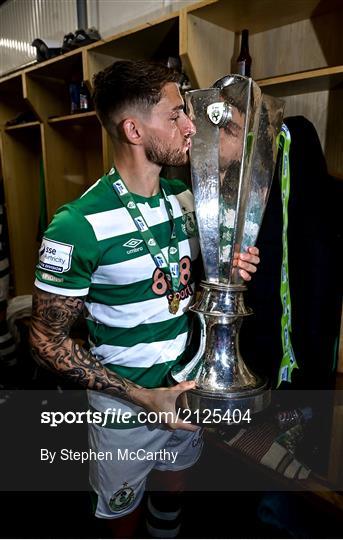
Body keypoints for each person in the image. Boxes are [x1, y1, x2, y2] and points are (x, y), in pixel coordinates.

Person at [30, 60, 260, 537]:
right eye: (176, 115)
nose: (190, 125)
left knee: (173, 487)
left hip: (184, 391)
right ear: (134, 129)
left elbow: (175, 293)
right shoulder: (78, 225)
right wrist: (143, 397)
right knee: (121, 512)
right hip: (125, 408)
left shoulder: (187, 201)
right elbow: (45, 342)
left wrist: (227, 274)